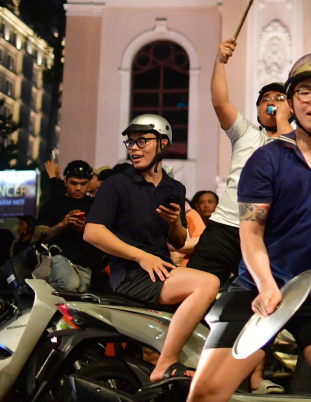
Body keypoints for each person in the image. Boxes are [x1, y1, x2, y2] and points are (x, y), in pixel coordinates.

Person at [186, 53, 311, 402]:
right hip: (258, 289)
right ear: (291, 104)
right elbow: (250, 231)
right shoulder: (266, 158)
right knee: (205, 392)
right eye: (305, 92)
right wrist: (266, 285)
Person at [85, 114, 220, 382]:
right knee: (208, 284)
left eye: (142, 141)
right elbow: (92, 232)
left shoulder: (175, 188)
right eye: (131, 142)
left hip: (162, 270)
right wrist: (142, 256)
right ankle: (166, 362)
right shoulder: (117, 184)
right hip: (131, 275)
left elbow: (179, 242)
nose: (134, 148)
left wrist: (174, 224)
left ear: (163, 144)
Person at [188, 39, 291, 289]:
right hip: (226, 226)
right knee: (194, 284)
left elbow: (290, 158)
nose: (272, 102)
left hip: (267, 234)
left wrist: (284, 120)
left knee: (259, 297)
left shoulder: (300, 143)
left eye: (280, 98)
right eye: (266, 98)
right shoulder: (246, 133)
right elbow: (220, 103)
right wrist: (220, 62)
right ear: (257, 109)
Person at [37, 160, 106, 291]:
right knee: (69, 285)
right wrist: (62, 224)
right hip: (59, 257)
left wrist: (85, 229)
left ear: (89, 183)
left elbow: (106, 234)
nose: (78, 188)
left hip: (86, 263)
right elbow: (38, 238)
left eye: (83, 184)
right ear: (65, 181)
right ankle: (40, 295)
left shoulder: (96, 205)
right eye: (73, 183)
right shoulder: (52, 204)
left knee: (78, 295)